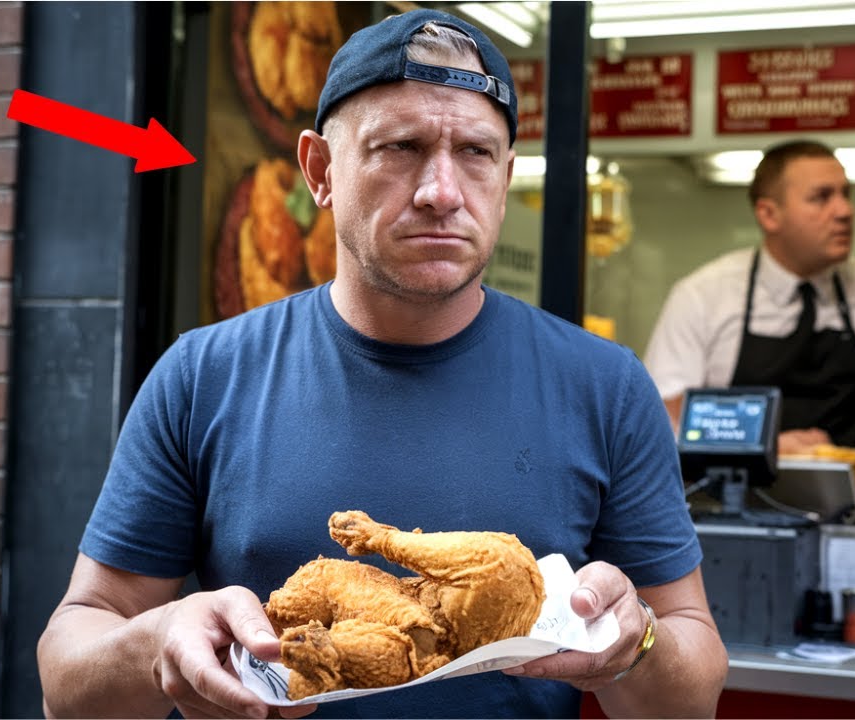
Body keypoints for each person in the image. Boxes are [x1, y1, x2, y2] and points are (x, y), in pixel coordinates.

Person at [36, 9, 727, 719]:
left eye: (476, 153)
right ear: (320, 170)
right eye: (400, 147)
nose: (442, 191)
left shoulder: (605, 388)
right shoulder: (203, 376)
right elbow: (69, 679)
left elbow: (692, 695)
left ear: (507, 174)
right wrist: (154, 642)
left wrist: (638, 641)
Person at [643, 140, 855, 505]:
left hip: (852, 525)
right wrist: (766, 446)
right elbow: (655, 426)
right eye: (821, 197)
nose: (844, 210)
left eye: (846, 194)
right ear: (769, 214)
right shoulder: (704, 295)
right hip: (734, 520)